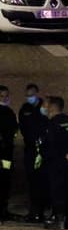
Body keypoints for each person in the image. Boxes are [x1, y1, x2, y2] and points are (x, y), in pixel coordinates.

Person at [39, 96, 68, 230]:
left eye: (46, 105)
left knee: (57, 190)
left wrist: (44, 155)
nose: (44, 107)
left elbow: (50, 144)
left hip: (56, 163)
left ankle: (59, 220)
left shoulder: (52, 123)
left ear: (52, 107)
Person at [17, 83, 47, 223]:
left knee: (43, 180)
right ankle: (34, 211)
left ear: (37, 94)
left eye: (32, 95)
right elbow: (23, 127)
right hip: (30, 149)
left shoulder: (44, 107)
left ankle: (42, 210)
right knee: (32, 180)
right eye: (27, 95)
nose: (29, 97)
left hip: (43, 149)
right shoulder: (25, 109)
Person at [0, 85, 16, 221]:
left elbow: (13, 130)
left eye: (6, 96)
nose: (5, 98)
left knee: (5, 179)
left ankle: (3, 209)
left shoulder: (9, 112)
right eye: (2, 96)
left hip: (6, 154)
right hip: (2, 152)